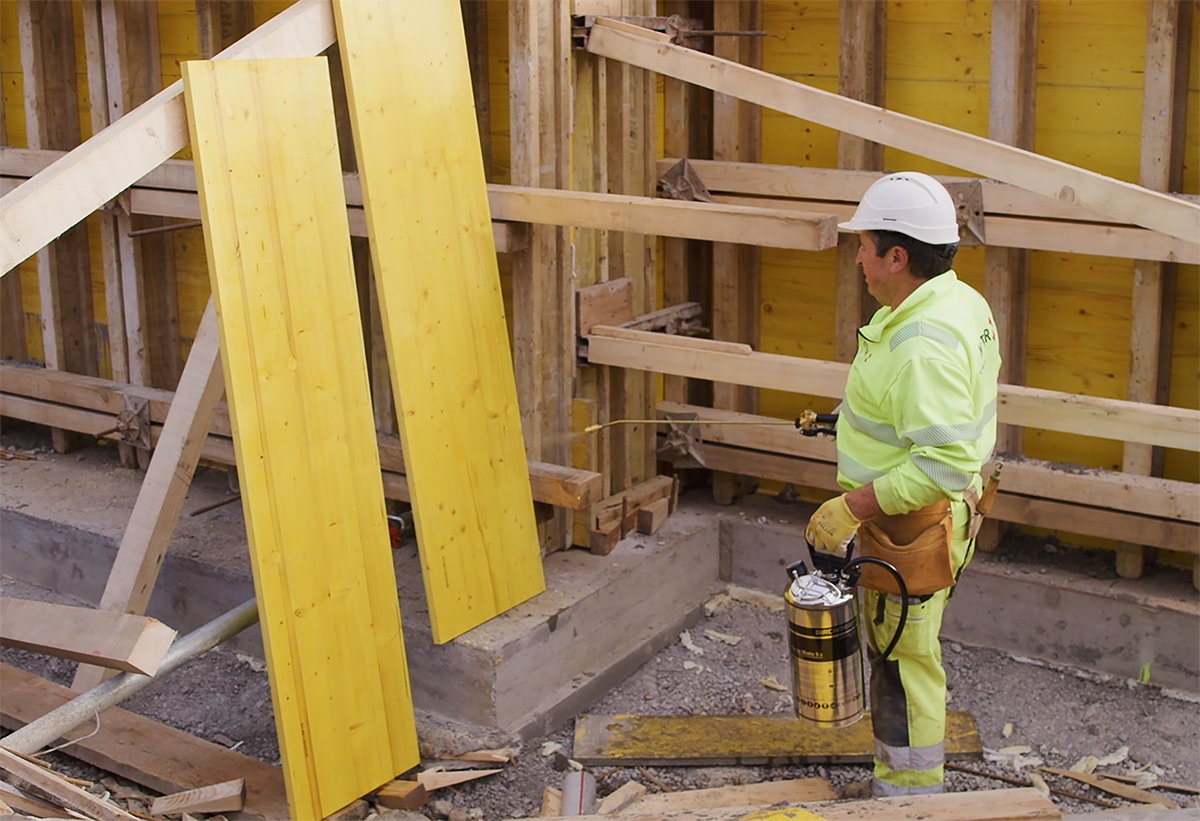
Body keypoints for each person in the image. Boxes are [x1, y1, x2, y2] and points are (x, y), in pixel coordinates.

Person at [804, 171, 1002, 797]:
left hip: (911, 528)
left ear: (898, 255)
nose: (857, 256)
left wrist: (850, 506)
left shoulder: (921, 343)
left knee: (899, 661)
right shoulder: (954, 300)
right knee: (902, 653)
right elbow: (927, 415)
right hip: (938, 517)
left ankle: (908, 796)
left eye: (865, 244)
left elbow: (940, 465)